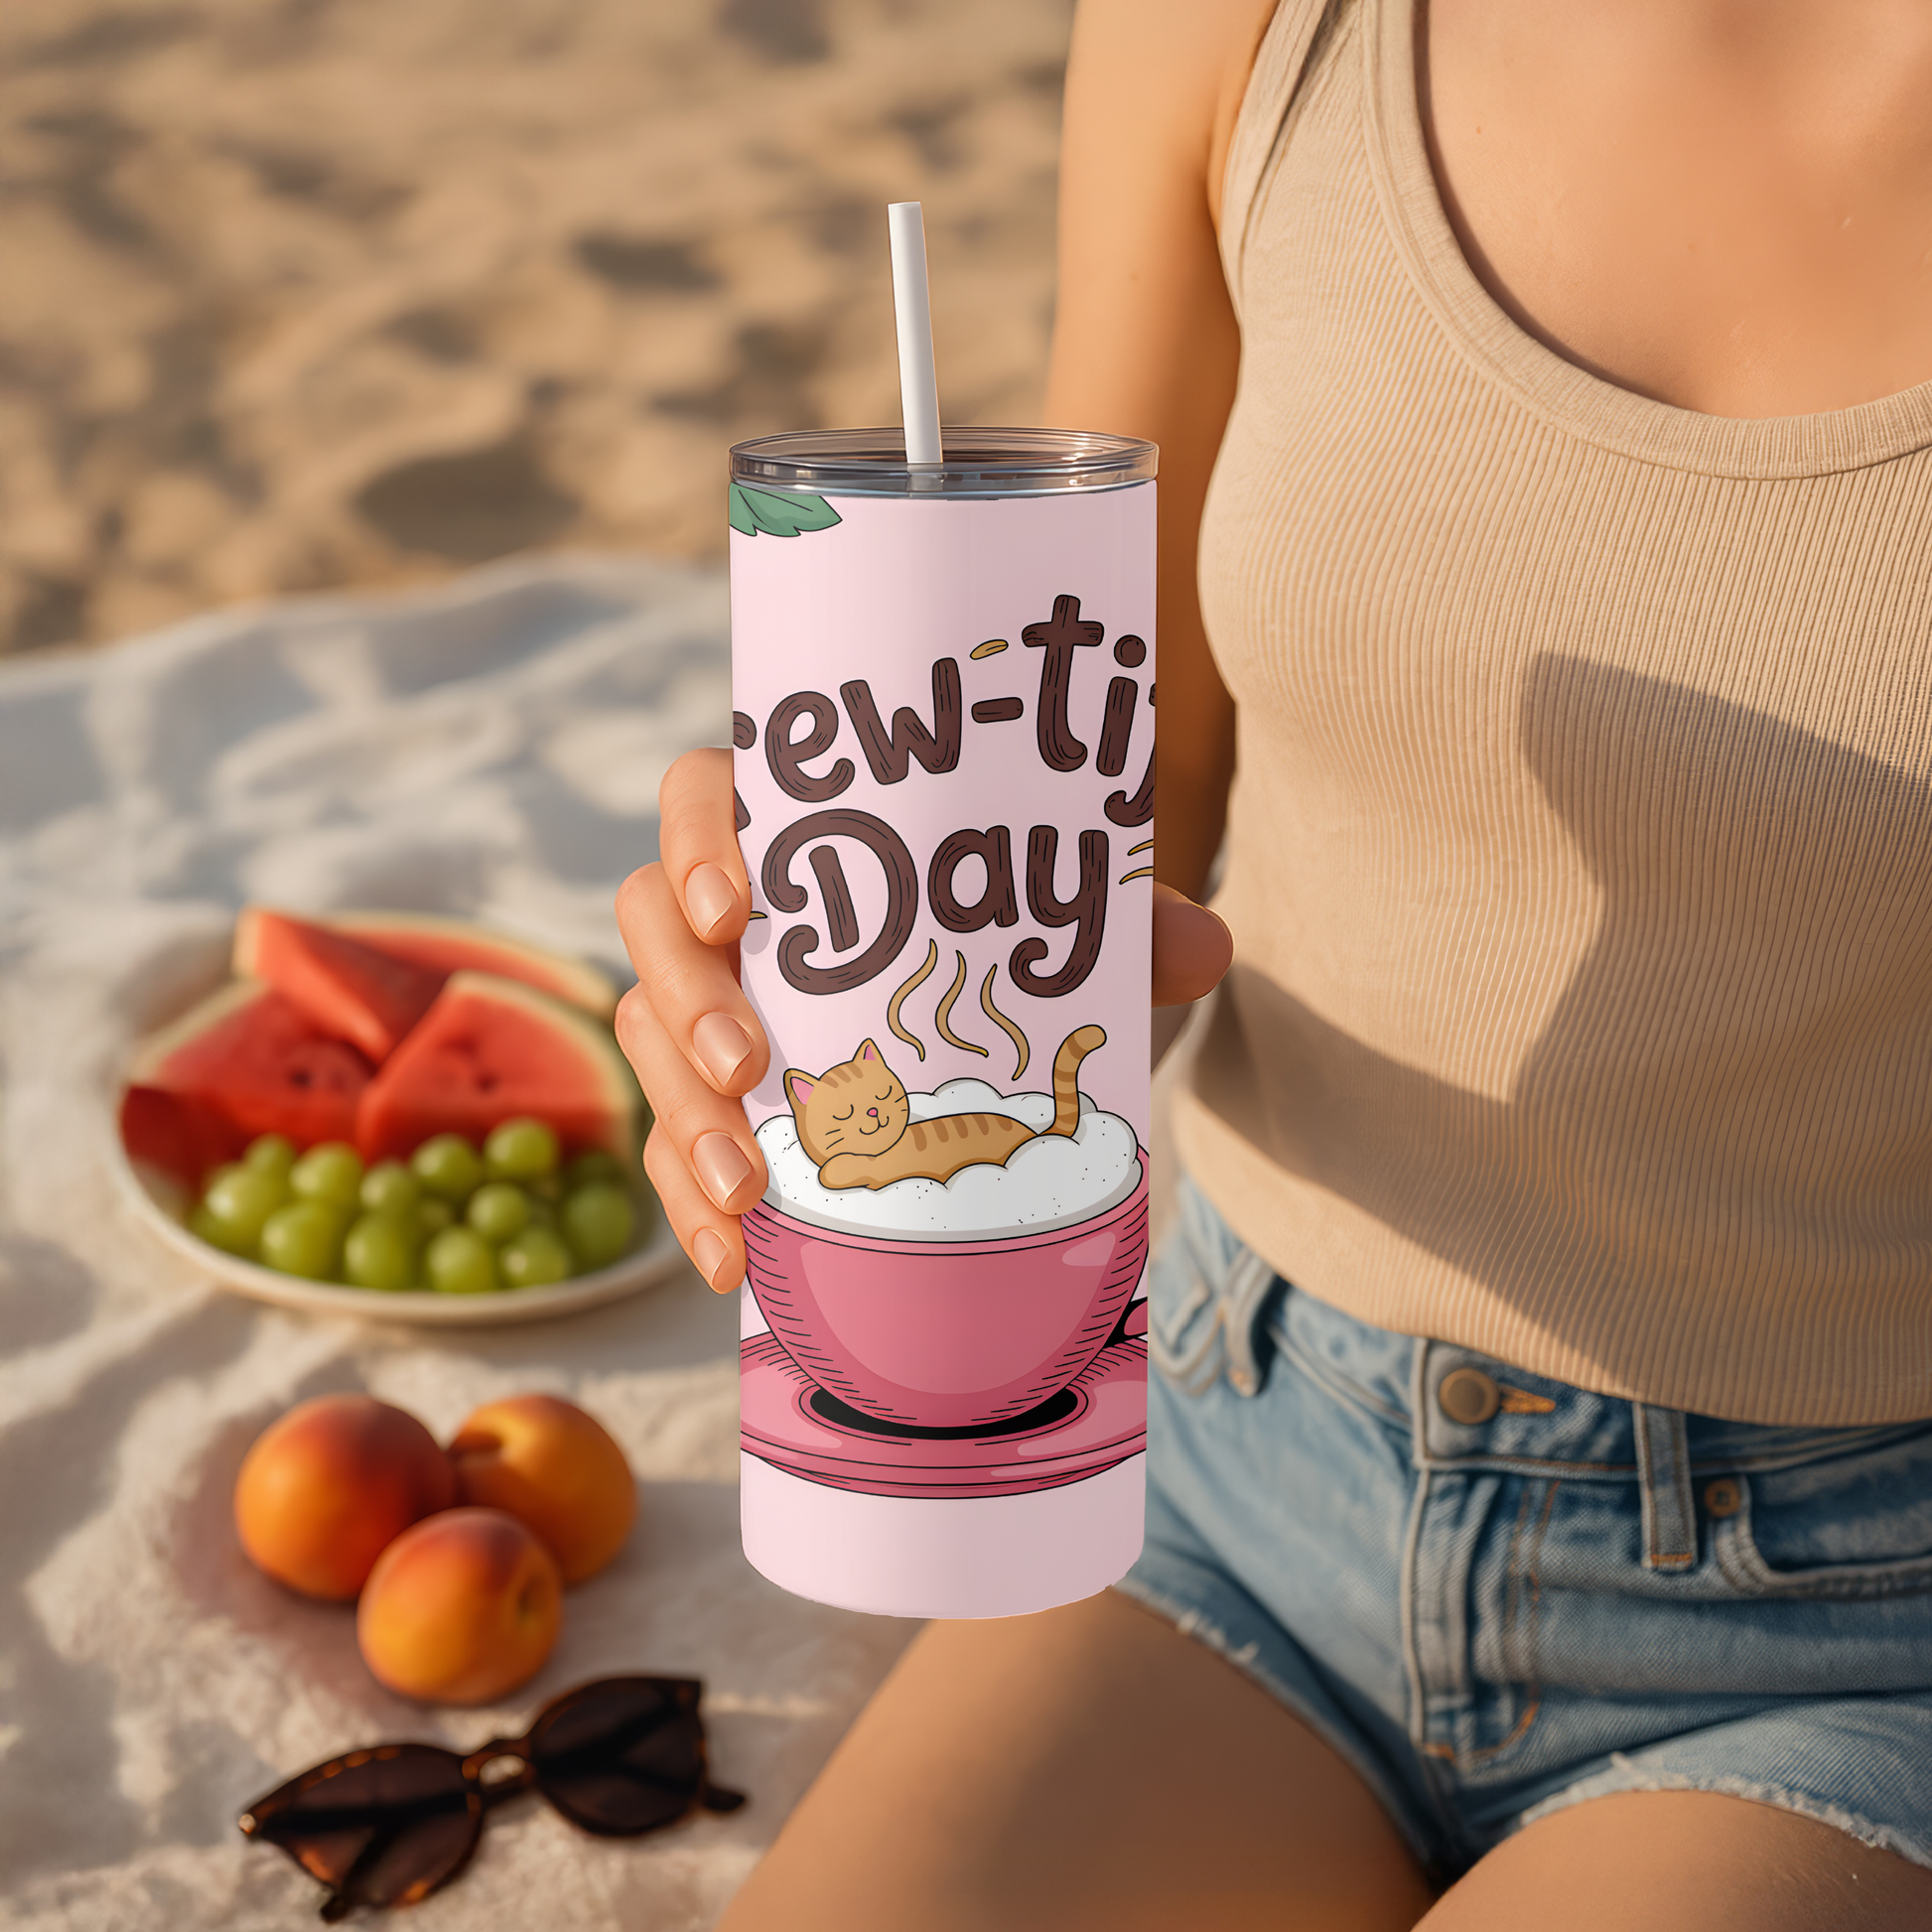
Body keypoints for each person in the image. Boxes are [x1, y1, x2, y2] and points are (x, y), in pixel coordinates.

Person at [615, 0, 1932, 1923]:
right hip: (1235, 1448)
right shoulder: (1249, 23)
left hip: (1852, 1612)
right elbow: (1121, 771)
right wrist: (834, 940)